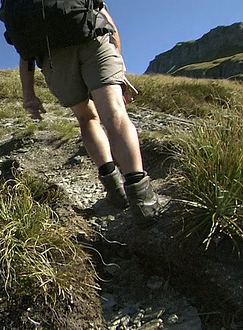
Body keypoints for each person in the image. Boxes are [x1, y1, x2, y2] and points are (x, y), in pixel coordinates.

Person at [9, 3, 159, 223]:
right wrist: (116, 58)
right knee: (114, 112)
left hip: (54, 59)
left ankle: (115, 190)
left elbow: (25, 51)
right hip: (94, 40)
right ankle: (143, 201)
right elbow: (103, 14)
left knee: (87, 118)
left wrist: (28, 94)